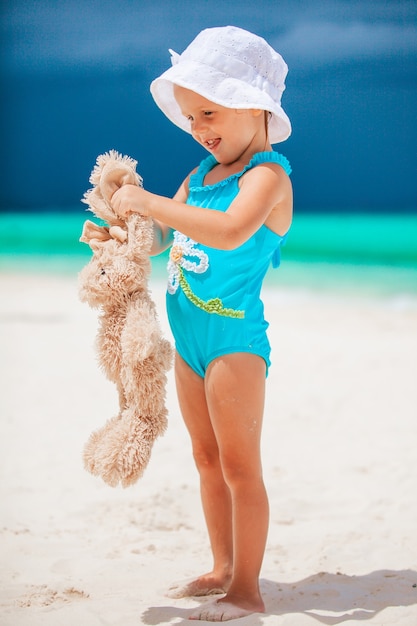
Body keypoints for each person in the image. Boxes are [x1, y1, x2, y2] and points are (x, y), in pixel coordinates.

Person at [111, 25, 293, 622]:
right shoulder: (200, 177)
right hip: (188, 339)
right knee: (207, 459)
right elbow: (169, 236)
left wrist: (154, 204)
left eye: (209, 111)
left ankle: (248, 590)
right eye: (191, 118)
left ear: (255, 105)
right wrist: (125, 232)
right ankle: (221, 566)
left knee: (241, 467)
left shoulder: (267, 177)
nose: (200, 128)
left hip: (232, 341)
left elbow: (230, 231)